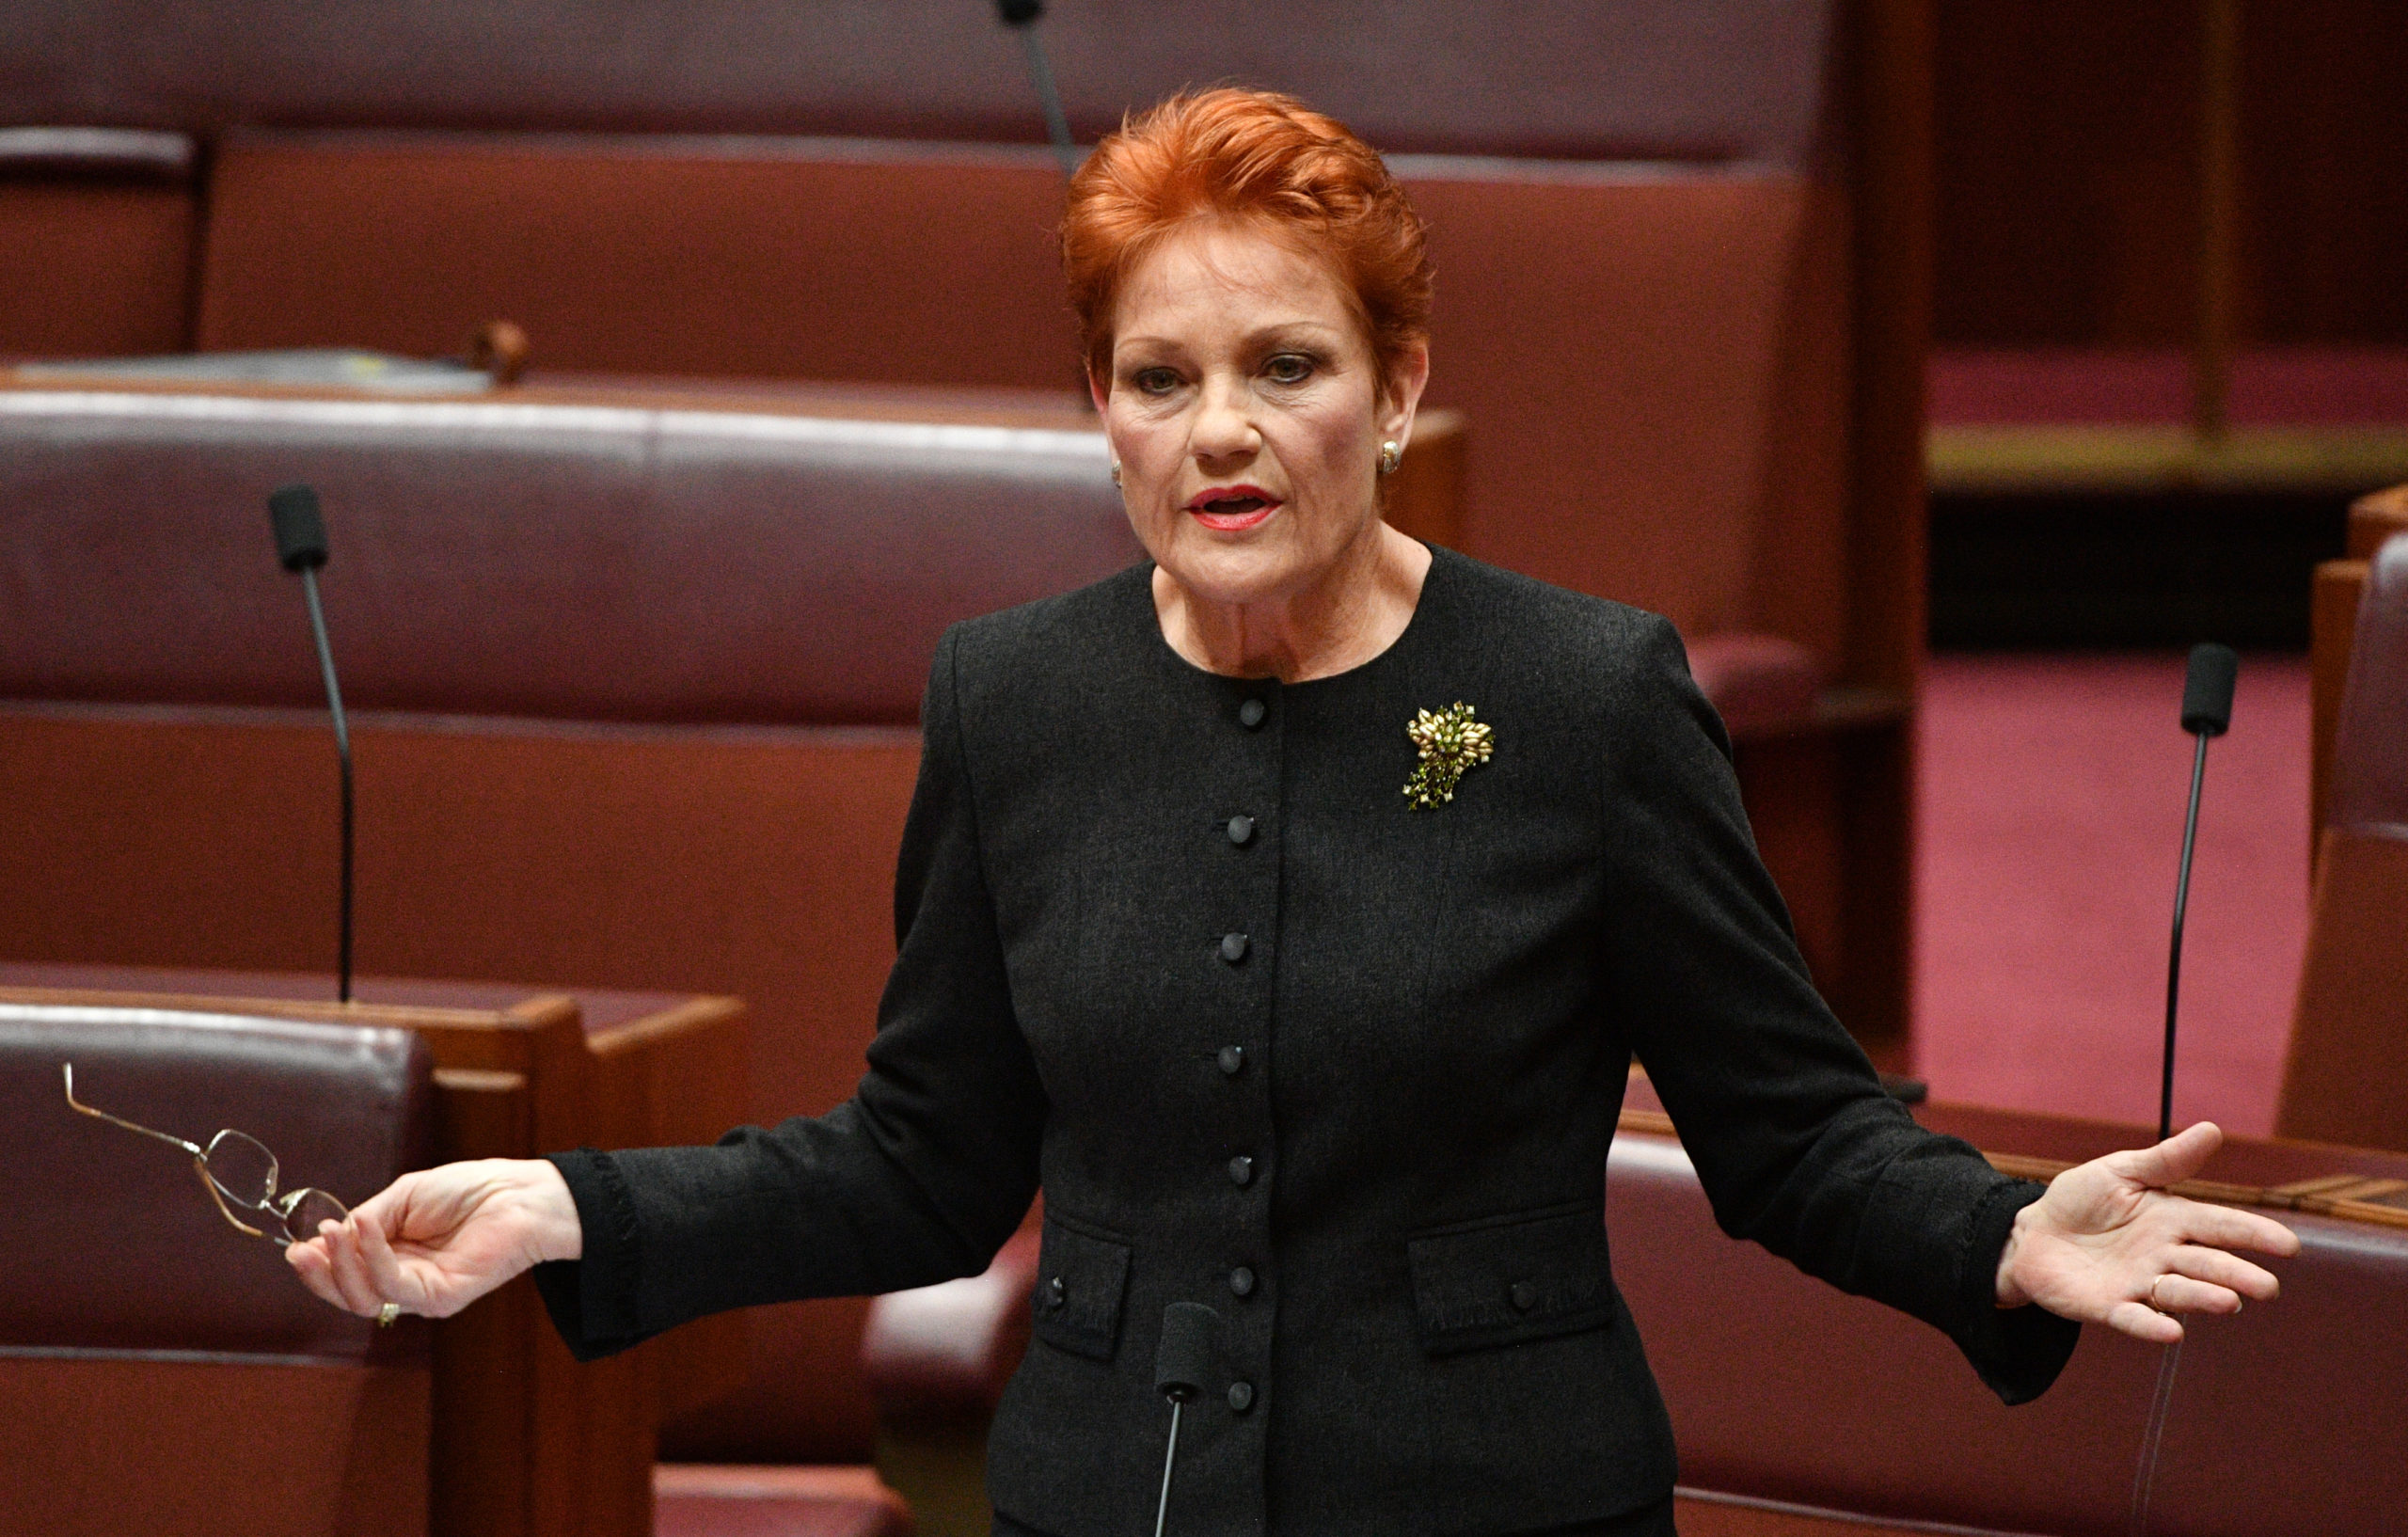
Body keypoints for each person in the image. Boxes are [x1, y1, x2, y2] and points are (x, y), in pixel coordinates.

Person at [288, 88, 2299, 1537]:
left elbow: (1785, 1128)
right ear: (1100, 410)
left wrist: (1999, 1230)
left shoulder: (1582, 696)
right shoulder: (1013, 698)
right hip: (1110, 1493)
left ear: (1397, 386)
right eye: (1156, 378)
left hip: (1496, 1492)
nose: (1220, 431)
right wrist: (569, 1206)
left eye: (1283, 364)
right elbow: (921, 1160)